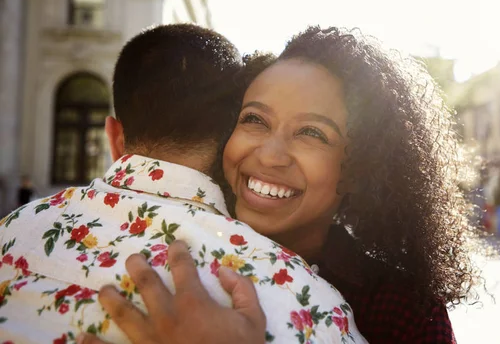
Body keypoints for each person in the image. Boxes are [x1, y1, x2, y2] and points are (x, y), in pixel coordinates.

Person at [83, 26, 490, 344]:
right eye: (255, 120)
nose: (271, 155)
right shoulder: (156, 247)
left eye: (312, 133)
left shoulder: (404, 311)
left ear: (361, 167)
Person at [0, 24, 365, 343]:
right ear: (229, 139)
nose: (270, 156)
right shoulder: (307, 303)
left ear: (114, 137)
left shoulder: (11, 231)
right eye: (256, 120)